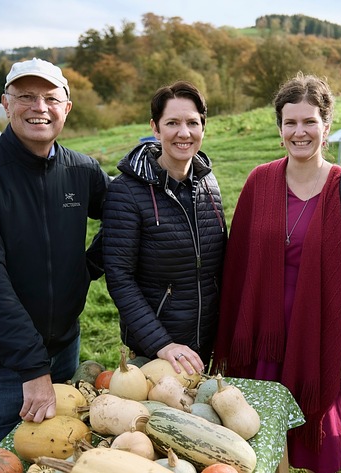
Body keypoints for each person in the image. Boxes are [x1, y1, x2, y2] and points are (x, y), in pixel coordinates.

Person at [212, 72, 341, 473]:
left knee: (316, 428)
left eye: (309, 122)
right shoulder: (259, 181)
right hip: (262, 333)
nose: (299, 131)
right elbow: (237, 265)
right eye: (291, 122)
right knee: (258, 435)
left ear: (327, 127)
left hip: (318, 331)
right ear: (280, 128)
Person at [0, 58, 110, 451]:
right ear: (5, 103)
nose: (40, 107)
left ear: (66, 108)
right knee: (3, 458)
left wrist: (87, 267)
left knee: (57, 454)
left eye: (51, 98)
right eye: (26, 97)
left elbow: (125, 214)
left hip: (64, 346)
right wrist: (32, 367)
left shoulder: (82, 170)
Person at [102, 81, 226, 376]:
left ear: (203, 128)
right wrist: (163, 344)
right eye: (172, 123)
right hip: (156, 351)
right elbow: (119, 278)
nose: (184, 133)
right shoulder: (127, 192)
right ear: (155, 129)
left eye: (192, 123)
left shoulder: (208, 183)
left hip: (204, 343)